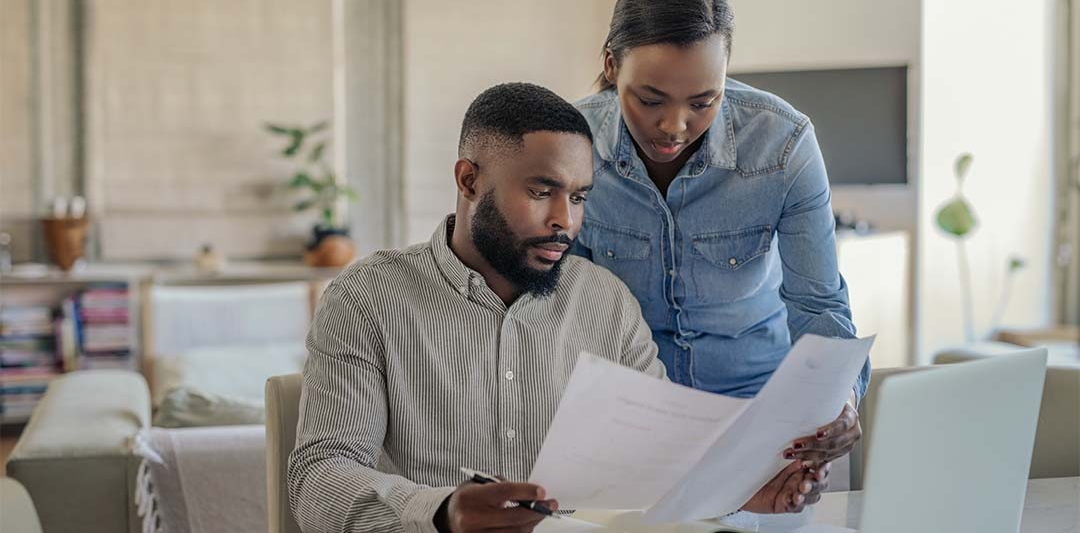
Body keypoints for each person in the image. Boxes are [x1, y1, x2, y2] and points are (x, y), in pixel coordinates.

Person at [288, 83, 829, 533]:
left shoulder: (606, 304)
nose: (564, 221)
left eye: (578, 197)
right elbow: (319, 478)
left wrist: (738, 490)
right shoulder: (367, 299)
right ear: (469, 180)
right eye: (542, 191)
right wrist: (441, 512)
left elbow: (657, 461)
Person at [572, 0, 870, 466]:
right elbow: (560, 309)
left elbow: (819, 306)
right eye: (650, 100)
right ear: (611, 65)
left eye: (703, 101)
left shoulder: (784, 146)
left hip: (759, 415)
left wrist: (840, 398)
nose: (674, 126)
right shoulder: (571, 144)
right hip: (627, 416)